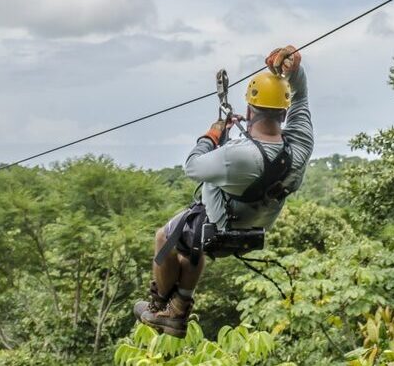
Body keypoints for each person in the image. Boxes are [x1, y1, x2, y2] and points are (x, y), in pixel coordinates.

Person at [133, 45, 314, 338]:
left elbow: (192, 166)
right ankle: (178, 309)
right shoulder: (300, 146)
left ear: (249, 110)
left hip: (223, 221)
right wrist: (294, 71)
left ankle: (158, 309)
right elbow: (302, 97)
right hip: (257, 223)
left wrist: (212, 135)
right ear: (284, 112)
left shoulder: (236, 157)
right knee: (190, 245)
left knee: (164, 236)